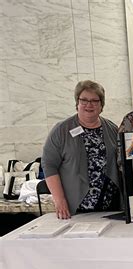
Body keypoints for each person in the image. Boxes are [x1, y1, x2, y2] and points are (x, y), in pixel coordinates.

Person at [42, 80, 122, 219]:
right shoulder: (61, 130)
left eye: (94, 101)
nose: (89, 105)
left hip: (110, 208)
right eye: (84, 100)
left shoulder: (112, 129)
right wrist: (59, 200)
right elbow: (49, 165)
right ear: (77, 103)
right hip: (76, 208)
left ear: (101, 105)